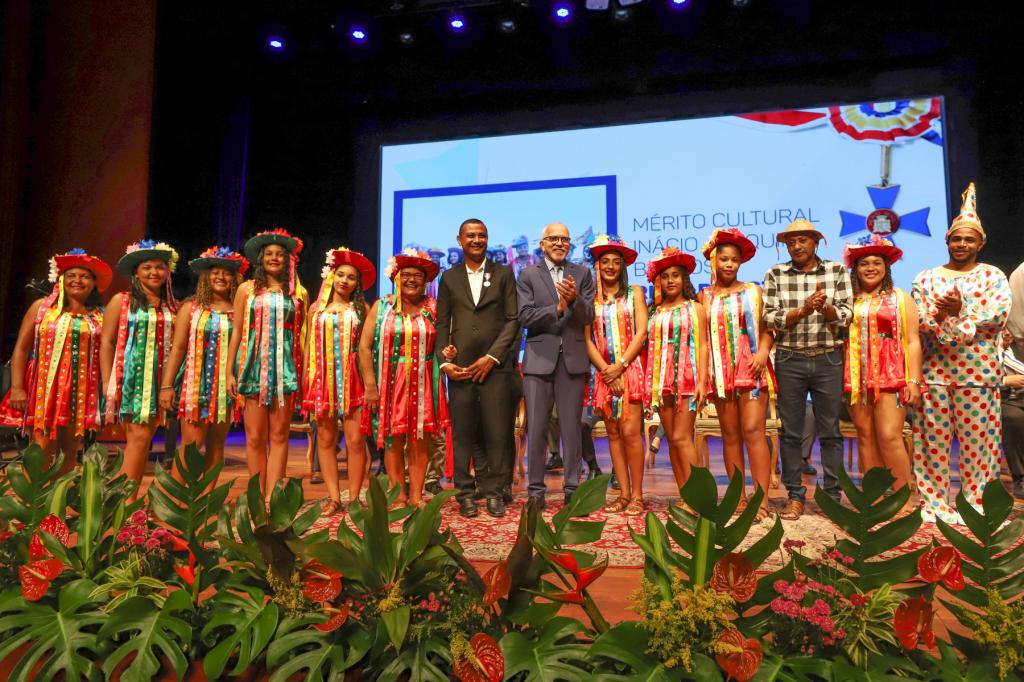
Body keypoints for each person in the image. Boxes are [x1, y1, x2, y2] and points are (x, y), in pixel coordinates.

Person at [911, 183, 1011, 524]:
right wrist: (945, 318)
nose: (962, 244)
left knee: (980, 444)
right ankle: (934, 504)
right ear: (947, 241)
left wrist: (959, 310)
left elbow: (996, 317)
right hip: (935, 374)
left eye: (969, 239)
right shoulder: (926, 278)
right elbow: (922, 320)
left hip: (978, 374)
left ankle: (976, 503)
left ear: (980, 244)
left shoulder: (993, 277)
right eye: (957, 239)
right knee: (931, 443)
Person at [764, 219, 852, 520]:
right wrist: (803, 310)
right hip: (790, 358)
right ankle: (795, 496)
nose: (796, 246)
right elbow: (769, 317)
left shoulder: (836, 271)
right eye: (791, 242)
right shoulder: (776, 273)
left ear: (816, 242)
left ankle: (832, 496)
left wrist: (824, 308)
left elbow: (847, 314)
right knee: (790, 433)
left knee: (831, 432)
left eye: (802, 240)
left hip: (828, 358)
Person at [435, 218, 521, 518]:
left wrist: (492, 357)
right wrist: (445, 361)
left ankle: (495, 492)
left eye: (481, 235)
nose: (476, 240)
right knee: (462, 433)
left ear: (487, 239)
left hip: (495, 368)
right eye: (470, 235)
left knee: (497, 432)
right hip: (461, 369)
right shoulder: (449, 278)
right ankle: (464, 493)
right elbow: (442, 323)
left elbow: (513, 320)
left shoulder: (504, 274)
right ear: (459, 240)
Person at [359, 248, 450, 509]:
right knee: (393, 439)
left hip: (424, 381)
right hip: (390, 382)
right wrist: (370, 385)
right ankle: (398, 495)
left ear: (425, 281)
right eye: (406, 274)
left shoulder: (434, 308)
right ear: (396, 278)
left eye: (417, 276)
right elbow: (364, 347)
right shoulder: (382, 307)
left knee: (420, 441)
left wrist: (449, 352)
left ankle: (416, 495)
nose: (412, 280)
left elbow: (445, 343)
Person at [8, 249, 110, 472]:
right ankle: (35, 493)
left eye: (84, 276)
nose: (77, 280)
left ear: (94, 283)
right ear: (60, 279)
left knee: (70, 447)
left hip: (80, 389)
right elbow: (22, 349)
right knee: (42, 444)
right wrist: (17, 387)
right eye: (71, 275)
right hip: (44, 387)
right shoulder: (42, 308)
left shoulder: (100, 315)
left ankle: (61, 493)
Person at [842, 235, 922, 516]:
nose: (870, 268)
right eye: (864, 263)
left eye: (877, 262)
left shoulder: (900, 298)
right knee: (865, 436)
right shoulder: (848, 300)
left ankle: (903, 499)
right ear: (855, 269)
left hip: (891, 375)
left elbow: (912, 341)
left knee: (889, 436)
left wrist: (913, 380)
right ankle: (874, 500)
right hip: (856, 376)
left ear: (886, 267)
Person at [518, 222, 596, 508]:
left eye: (564, 239)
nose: (560, 243)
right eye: (553, 238)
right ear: (543, 244)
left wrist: (574, 300)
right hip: (539, 361)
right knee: (537, 428)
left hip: (573, 361)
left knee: (572, 429)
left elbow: (588, 315)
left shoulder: (582, 273)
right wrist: (559, 308)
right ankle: (536, 492)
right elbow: (525, 316)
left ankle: (573, 489)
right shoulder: (528, 274)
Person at [226, 228, 307, 502]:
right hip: (252, 368)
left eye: (279, 254)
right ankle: (256, 496)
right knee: (254, 438)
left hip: (285, 370)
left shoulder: (297, 293)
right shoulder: (246, 290)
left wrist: (304, 373)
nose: (274, 258)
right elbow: (237, 332)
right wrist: (229, 372)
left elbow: (301, 337)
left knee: (280, 435)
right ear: (261, 259)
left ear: (288, 260)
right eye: (269, 254)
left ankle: (274, 497)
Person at [699, 228, 774, 521]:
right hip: (720, 372)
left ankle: (762, 501)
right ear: (714, 261)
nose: (729, 264)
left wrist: (763, 351)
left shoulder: (754, 291)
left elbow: (767, 328)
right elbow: (702, 339)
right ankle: (738, 499)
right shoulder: (704, 296)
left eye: (734, 260)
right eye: (724, 259)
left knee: (754, 431)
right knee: (730, 435)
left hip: (752, 366)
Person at [160, 247, 248, 484]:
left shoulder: (239, 312)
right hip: (196, 385)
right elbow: (177, 349)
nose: (221, 277)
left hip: (226, 387)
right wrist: (167, 385)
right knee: (191, 444)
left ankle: (209, 499)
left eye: (227, 273)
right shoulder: (191, 308)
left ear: (235, 279)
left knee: (217, 444)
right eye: (215, 272)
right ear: (206, 277)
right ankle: (174, 499)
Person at [101, 239, 180, 494]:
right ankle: (124, 502)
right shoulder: (121, 301)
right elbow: (107, 342)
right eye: (147, 267)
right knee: (139, 439)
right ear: (136, 272)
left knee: (142, 441)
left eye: (159, 267)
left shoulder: (173, 306)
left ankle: (126, 501)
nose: (154, 272)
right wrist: (107, 381)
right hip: (132, 379)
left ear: (167, 272)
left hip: (160, 381)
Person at [303, 247, 375, 516]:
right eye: (341, 275)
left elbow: (367, 348)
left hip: (353, 379)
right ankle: (333, 497)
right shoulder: (316, 309)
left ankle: (355, 498)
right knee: (325, 439)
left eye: (351, 277)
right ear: (331, 276)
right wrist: (308, 379)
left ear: (358, 284)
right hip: (323, 379)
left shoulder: (362, 309)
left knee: (355, 441)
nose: (345, 280)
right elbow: (309, 347)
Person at [583, 234, 648, 515]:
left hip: (630, 369)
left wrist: (620, 365)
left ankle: (638, 495)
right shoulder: (590, 299)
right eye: (605, 261)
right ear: (597, 265)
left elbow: (641, 332)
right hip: (604, 374)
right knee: (612, 434)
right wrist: (606, 371)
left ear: (622, 266)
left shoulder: (635, 293)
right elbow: (587, 340)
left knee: (631, 433)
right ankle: (622, 494)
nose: (610, 266)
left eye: (615, 262)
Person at [644, 247, 709, 501]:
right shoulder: (654, 311)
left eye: (675, 275)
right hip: (662, 381)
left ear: (684, 279)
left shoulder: (695, 308)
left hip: (687, 379)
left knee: (682, 437)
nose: (670, 280)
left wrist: (702, 381)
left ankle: (700, 498)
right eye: (665, 276)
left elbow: (702, 345)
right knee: (671, 439)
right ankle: (686, 497)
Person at [1000, 330, 1024, 500]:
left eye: (1010, 328)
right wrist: (1006, 381)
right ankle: (1020, 477)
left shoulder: (1019, 349)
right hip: (1007, 399)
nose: (1007, 333)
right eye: (1003, 328)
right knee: (1013, 417)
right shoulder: (987, 351)